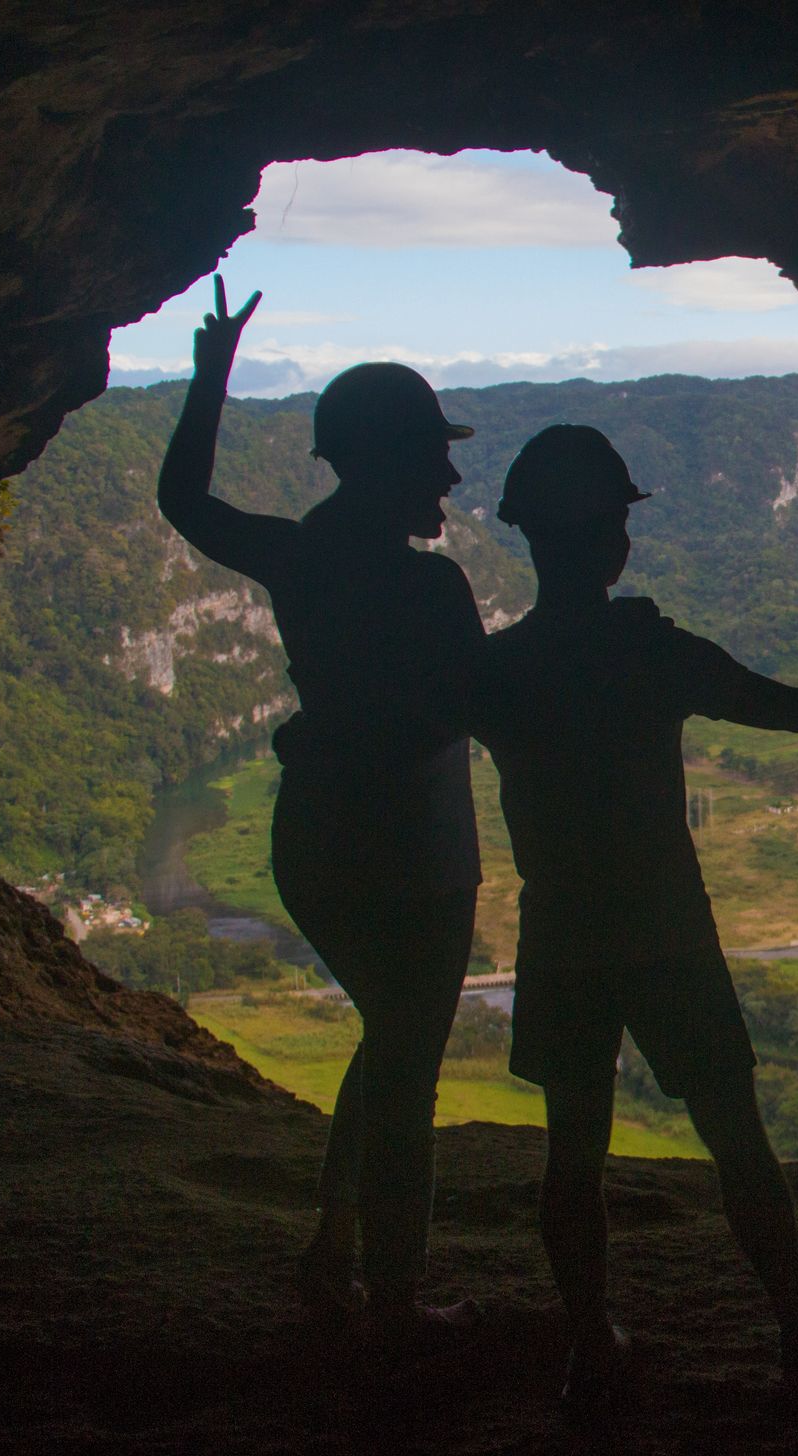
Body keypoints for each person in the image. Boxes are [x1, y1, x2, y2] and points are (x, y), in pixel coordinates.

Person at [471, 424, 798, 1410]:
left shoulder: (498, 670)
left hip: (561, 938)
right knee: (735, 1133)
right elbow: (793, 711)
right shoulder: (652, 653)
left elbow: (399, 718)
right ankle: (795, 1321)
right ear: (611, 541)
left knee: (571, 1151)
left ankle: (592, 1345)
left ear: (532, 539)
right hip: (666, 930)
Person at [157, 279, 485, 1338]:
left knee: (389, 1042)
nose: (449, 470)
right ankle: (391, 1294)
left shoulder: (299, 557)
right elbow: (471, 711)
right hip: (418, 851)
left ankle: (336, 1249)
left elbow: (185, 504)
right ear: (387, 461)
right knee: (407, 1068)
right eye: (432, 453)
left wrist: (210, 377)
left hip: (315, 838)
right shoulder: (433, 591)